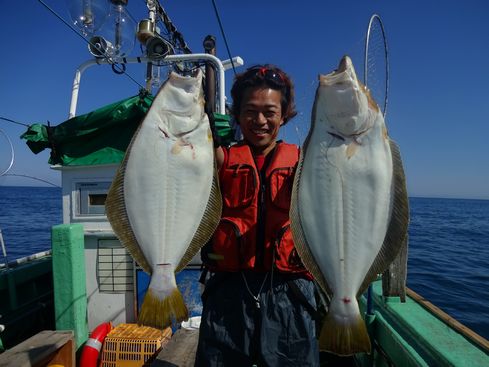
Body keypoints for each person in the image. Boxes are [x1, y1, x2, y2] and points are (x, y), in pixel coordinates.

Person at [195, 64, 320, 367]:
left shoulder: (306, 162)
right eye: (250, 111)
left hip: (290, 292)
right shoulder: (220, 158)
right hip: (228, 290)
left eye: (270, 111)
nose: (260, 121)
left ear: (284, 114)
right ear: (236, 113)